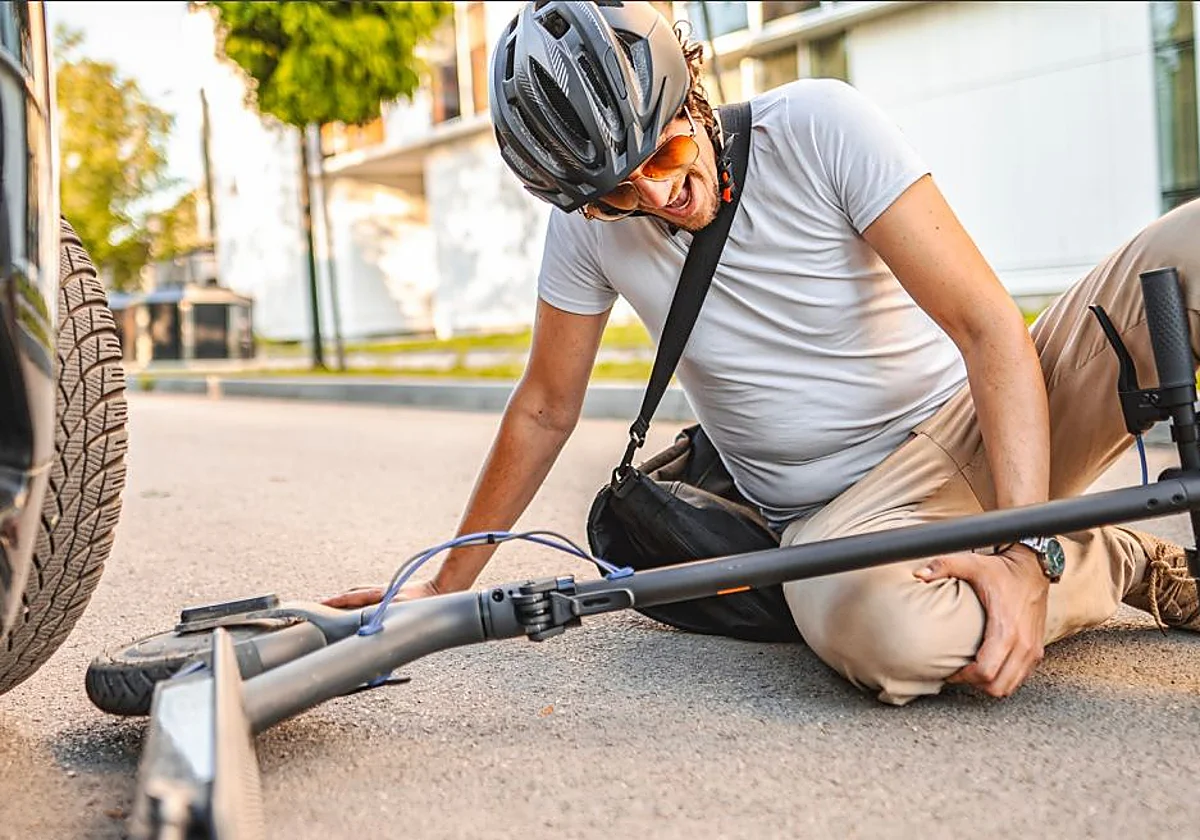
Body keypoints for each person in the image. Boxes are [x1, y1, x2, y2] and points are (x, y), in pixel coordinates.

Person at [325, 0, 1200, 706]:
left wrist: (1020, 556)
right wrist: (444, 588)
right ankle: (1117, 559)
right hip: (844, 523)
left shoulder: (819, 125)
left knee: (1192, 244)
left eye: (663, 152)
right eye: (614, 196)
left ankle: (1033, 553)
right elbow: (547, 406)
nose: (659, 196)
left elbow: (987, 327)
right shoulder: (585, 238)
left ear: (690, 84)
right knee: (893, 641)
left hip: (981, 417)